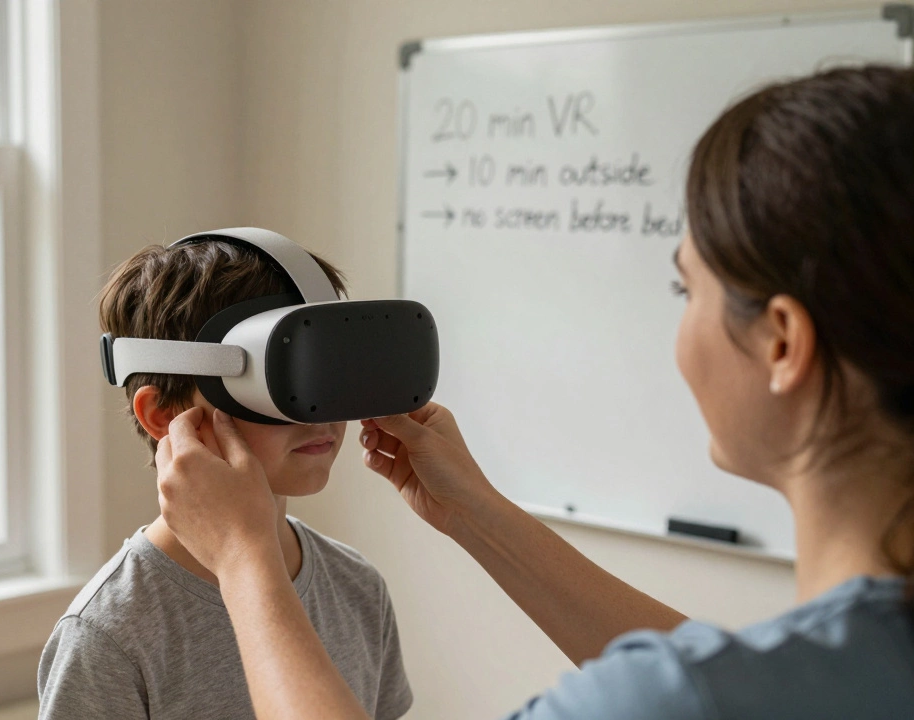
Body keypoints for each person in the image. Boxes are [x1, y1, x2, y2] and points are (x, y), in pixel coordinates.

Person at [153, 66, 914, 719]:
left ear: (782, 344)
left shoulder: (671, 697)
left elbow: (701, 693)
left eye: (687, 288)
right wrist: (478, 516)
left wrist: (244, 561)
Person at [36, 240, 412, 719]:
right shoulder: (112, 634)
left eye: (331, 374)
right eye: (280, 382)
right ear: (164, 414)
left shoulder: (357, 587)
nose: (322, 414)